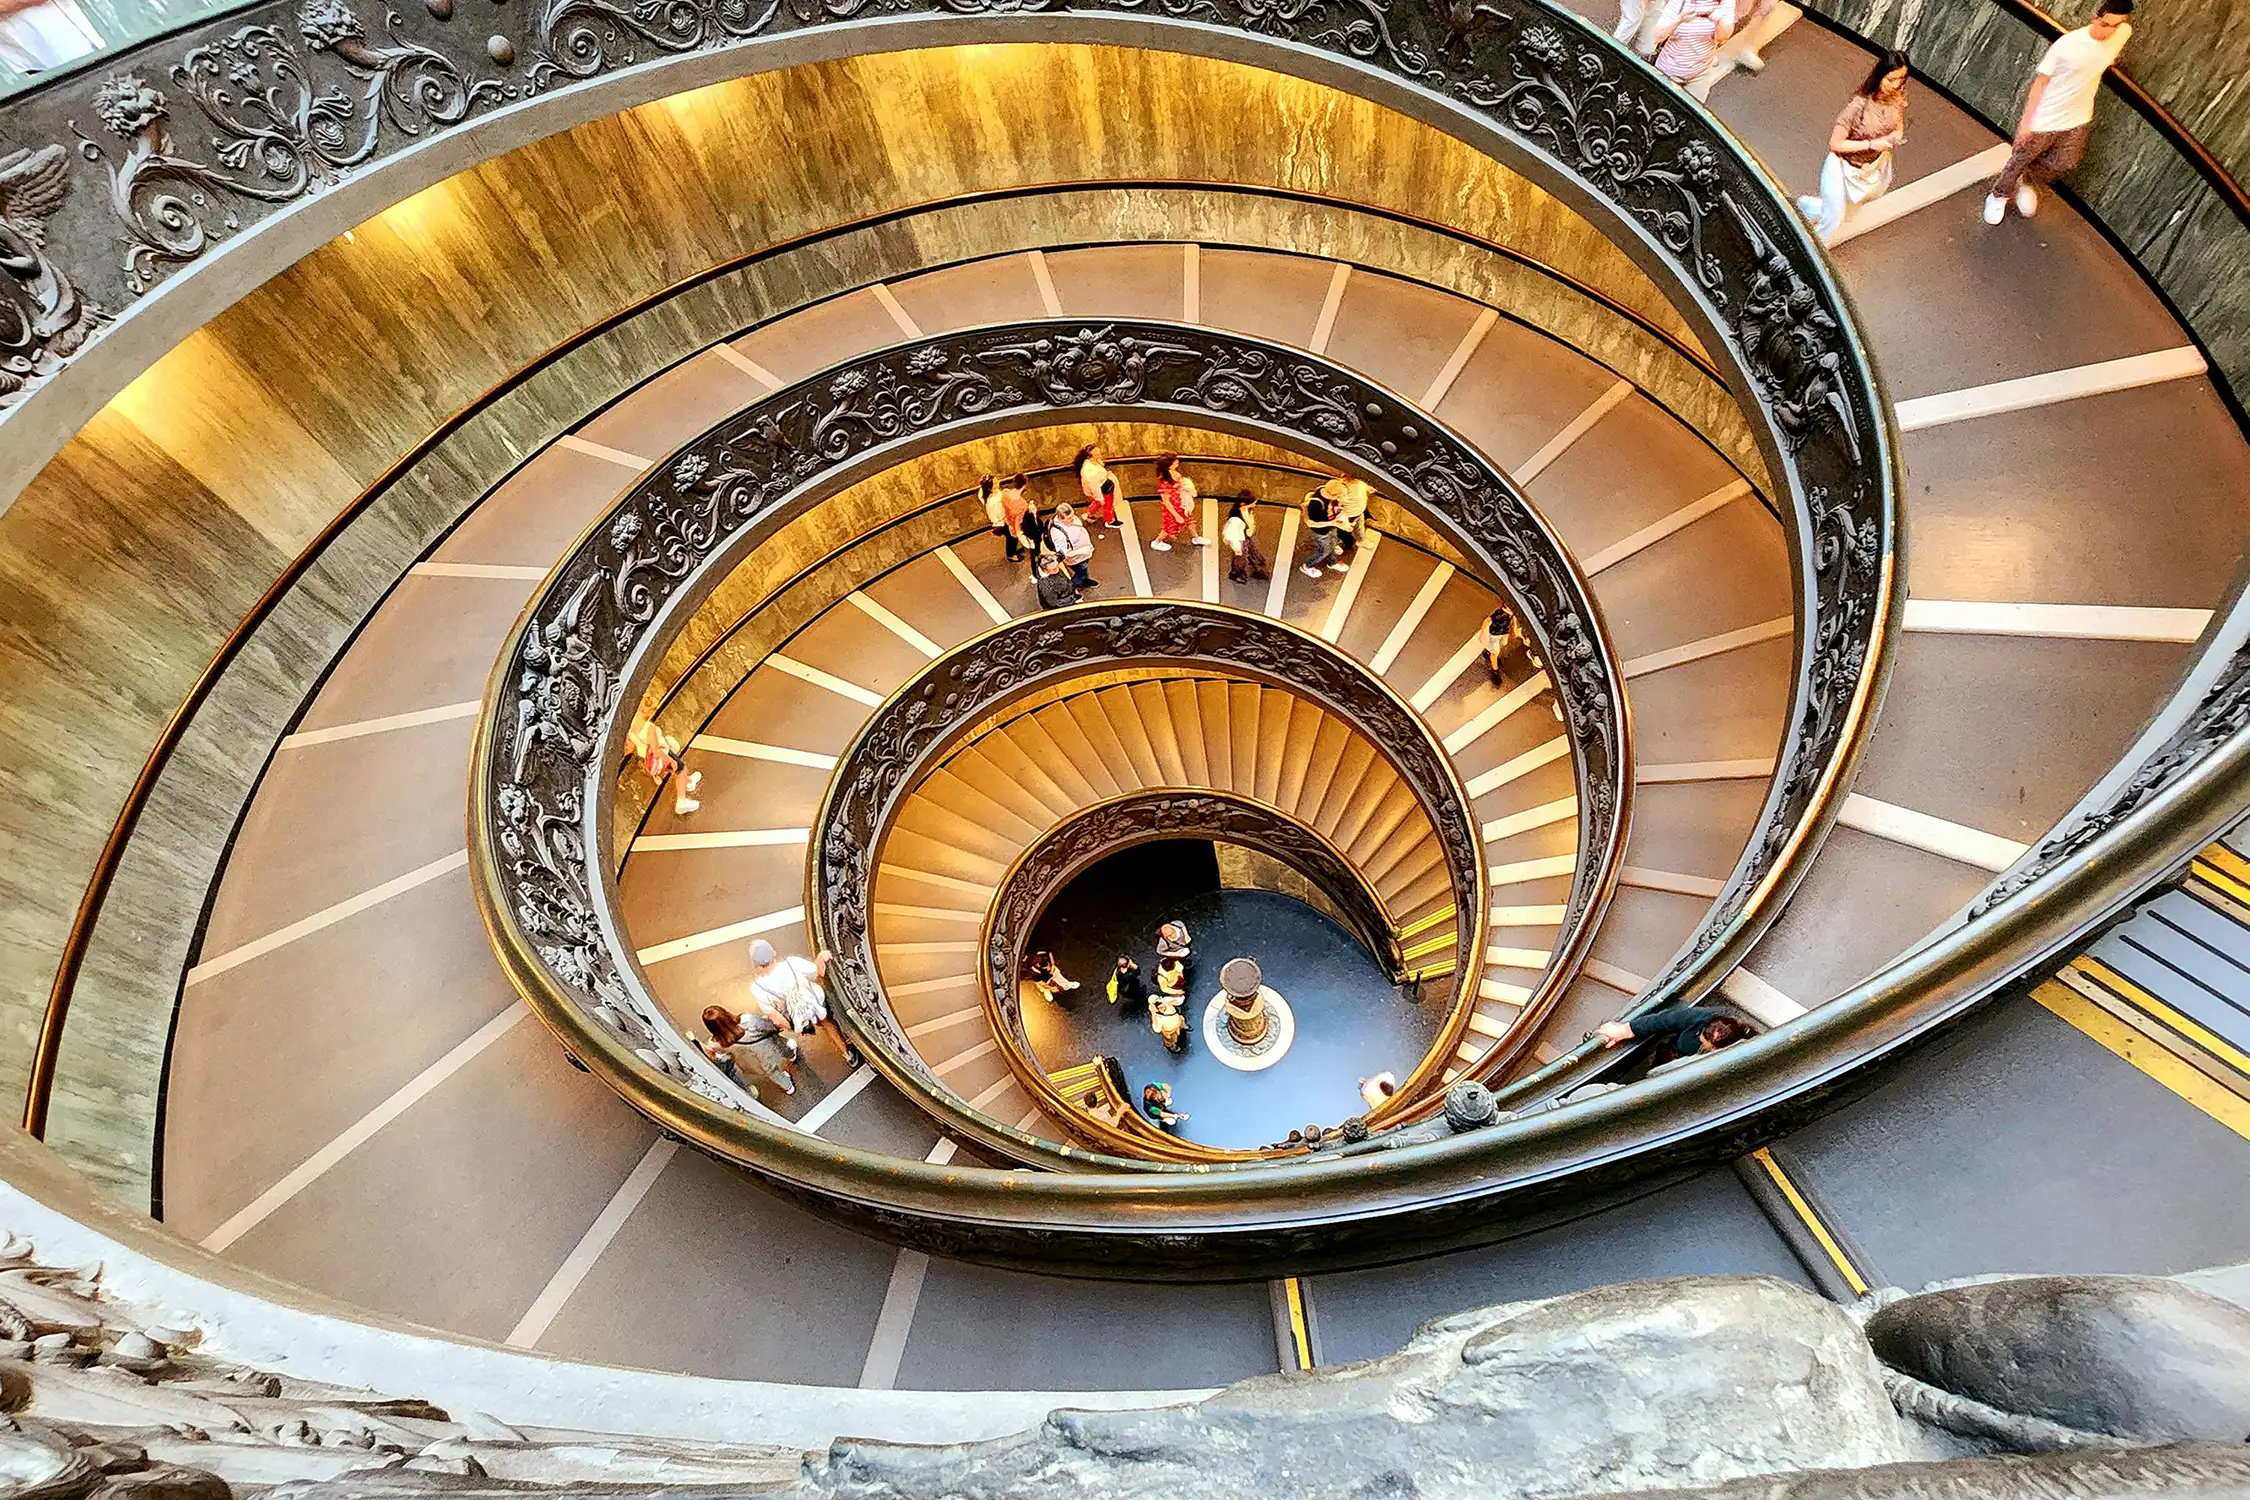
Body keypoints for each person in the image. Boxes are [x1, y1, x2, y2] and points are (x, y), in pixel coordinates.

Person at [1984, 0, 2132, 225]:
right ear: (2094, 18)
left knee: (2066, 162)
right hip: (2047, 116)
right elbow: (2040, 82)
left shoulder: (2122, 33)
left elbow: (2106, 55)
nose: (2108, 31)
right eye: (2105, 24)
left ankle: (2028, 181)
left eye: (2115, 25)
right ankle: (1998, 195)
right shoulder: (2068, 45)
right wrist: (2026, 122)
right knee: (2021, 158)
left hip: (2079, 116)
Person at [1796, 52, 1910, 246]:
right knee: (1833, 219)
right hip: (1841, 166)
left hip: (1867, 171)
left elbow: (1898, 126)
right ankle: (1811, 249)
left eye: (1901, 80)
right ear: (1881, 75)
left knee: (1836, 210)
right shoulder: (1858, 106)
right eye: (1891, 79)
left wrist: (1894, 137)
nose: (1896, 85)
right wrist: (1872, 144)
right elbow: (1836, 144)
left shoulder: (1897, 101)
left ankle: (1805, 207)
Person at [747, 938, 860, 1067]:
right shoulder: (793, 964)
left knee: (819, 1023)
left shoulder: (758, 988)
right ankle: (847, 1053)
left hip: (797, 1016)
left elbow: (777, 1018)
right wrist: (821, 956)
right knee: (828, 1023)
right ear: (773, 953)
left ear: (755, 964)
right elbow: (818, 972)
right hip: (815, 1003)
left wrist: (793, 1026)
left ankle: (817, 1025)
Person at [1595, 1006, 1751, 1063]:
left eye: (1708, 1046)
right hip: (1674, 1056)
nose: (1703, 1045)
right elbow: (1666, 1019)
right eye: (1702, 1040)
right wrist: (1626, 1030)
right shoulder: (1701, 1018)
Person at [703, 1004, 799, 1096]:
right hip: (769, 1049)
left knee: (772, 1072)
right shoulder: (748, 1020)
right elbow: (768, 1026)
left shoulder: (715, 1044)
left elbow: (725, 1055)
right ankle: (791, 1056)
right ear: (726, 1013)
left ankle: (788, 1086)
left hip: (753, 1062)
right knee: (781, 1046)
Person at [1651, 0, 1733, 95]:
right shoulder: (1679, 3)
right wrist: (1679, 20)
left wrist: (1720, 22)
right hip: (1669, 71)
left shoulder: (1725, 2)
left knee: (1692, 108)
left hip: (1700, 74)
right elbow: (1656, 37)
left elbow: (1723, 38)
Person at [626, 716, 701, 816]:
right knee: (681, 769)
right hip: (663, 754)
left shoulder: (631, 732)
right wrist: (670, 759)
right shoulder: (648, 728)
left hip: (653, 756)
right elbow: (656, 750)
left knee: (676, 771)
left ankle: (687, 782)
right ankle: (681, 802)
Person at [1151, 453, 1204, 552]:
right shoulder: (1165, 482)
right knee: (1169, 526)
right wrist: (1176, 515)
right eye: (1174, 461)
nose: (1177, 462)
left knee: (1189, 520)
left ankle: (1195, 537)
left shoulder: (1175, 474)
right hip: (1173, 507)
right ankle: (1157, 541)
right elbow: (1166, 501)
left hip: (1182, 502)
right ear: (1170, 465)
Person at [1221, 491, 1269, 583]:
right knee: (1241, 558)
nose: (1255, 504)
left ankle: (1259, 570)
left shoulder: (1246, 510)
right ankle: (1237, 574)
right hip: (1239, 539)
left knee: (1254, 553)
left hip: (1245, 535)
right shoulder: (1235, 519)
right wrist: (1236, 547)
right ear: (1243, 504)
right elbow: (1230, 534)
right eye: (1253, 503)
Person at [1049, 501, 1097, 590]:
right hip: (1077, 558)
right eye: (1069, 518)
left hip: (1084, 553)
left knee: (1083, 570)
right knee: (1082, 570)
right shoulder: (1058, 534)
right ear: (1061, 518)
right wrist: (1083, 551)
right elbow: (1064, 554)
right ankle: (1074, 586)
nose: (1073, 519)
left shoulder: (1071, 520)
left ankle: (1083, 580)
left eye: (1073, 516)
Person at [1075, 443, 1121, 528]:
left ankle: (1090, 513)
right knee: (1107, 505)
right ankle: (1110, 521)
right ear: (1091, 456)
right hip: (1100, 489)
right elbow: (1094, 487)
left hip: (1101, 486)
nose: (1100, 456)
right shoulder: (1090, 472)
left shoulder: (1091, 462)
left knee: (1097, 503)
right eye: (1097, 454)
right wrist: (1100, 498)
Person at [1301, 486, 1343, 578]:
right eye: (1340, 495)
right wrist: (1332, 522)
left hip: (1331, 527)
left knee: (1333, 542)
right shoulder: (1316, 504)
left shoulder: (1324, 489)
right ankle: (1307, 566)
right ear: (1332, 495)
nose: (1343, 497)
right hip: (1321, 532)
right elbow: (1312, 524)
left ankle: (1332, 562)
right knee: (1324, 551)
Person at [1327, 476, 1372, 557]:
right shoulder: (1343, 487)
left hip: (1358, 511)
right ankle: (1336, 545)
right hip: (1348, 514)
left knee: (1359, 527)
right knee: (1343, 532)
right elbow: (1338, 500)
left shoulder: (1360, 481)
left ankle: (1361, 540)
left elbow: (1362, 488)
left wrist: (1367, 488)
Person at [1482, 604, 1523, 688]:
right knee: (1495, 653)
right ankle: (1495, 671)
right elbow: (1487, 621)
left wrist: (1514, 627)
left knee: (1503, 644)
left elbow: (1513, 621)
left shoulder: (1511, 614)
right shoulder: (1499, 613)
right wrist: (1484, 632)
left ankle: (1488, 652)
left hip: (1504, 633)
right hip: (1494, 635)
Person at [999, 473, 1033, 562]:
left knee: (1009, 540)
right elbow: (1018, 522)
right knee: (1012, 541)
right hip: (1013, 526)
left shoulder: (1005, 492)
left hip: (1007, 520)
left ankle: (1011, 552)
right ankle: (1011, 555)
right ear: (1024, 485)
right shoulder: (1022, 504)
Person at [1149, 986, 1189, 1054]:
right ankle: (1171, 1045)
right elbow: (1157, 1029)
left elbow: (1179, 1001)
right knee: (1171, 1039)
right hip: (1170, 1030)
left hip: (1177, 1020)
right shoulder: (1157, 1016)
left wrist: (1169, 1001)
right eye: (1156, 1004)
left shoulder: (1166, 1001)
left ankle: (1183, 1026)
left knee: (1181, 1020)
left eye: (1158, 1002)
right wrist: (1154, 1013)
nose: (1160, 1005)